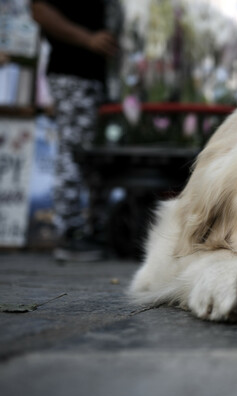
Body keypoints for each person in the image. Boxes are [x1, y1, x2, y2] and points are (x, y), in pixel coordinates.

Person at [31, 0, 120, 261]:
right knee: (74, 152)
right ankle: (69, 234)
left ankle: (97, 231)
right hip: (74, 73)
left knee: (101, 157)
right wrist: (88, 38)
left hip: (106, 79)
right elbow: (39, 10)